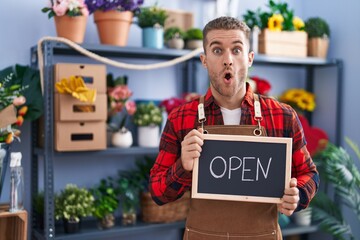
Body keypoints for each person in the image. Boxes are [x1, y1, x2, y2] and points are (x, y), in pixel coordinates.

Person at [149, 16, 319, 240]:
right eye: (217, 51)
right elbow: (158, 193)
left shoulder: (282, 116)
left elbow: (310, 174)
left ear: (249, 58)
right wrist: (183, 165)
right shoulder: (181, 118)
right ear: (204, 60)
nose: (228, 60)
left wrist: (297, 195)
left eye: (236, 50)